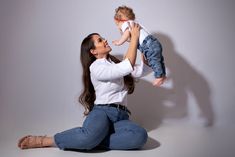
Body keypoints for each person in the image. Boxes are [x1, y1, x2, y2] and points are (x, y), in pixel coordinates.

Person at [18, 23, 148, 151]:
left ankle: (94, 140)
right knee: (88, 137)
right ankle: (46, 141)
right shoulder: (96, 67)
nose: (105, 40)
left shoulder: (115, 64)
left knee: (140, 136)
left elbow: (141, 70)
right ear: (93, 51)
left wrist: (147, 50)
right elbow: (128, 65)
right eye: (100, 40)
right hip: (103, 113)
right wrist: (134, 38)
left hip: (121, 115)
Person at [113, 5, 167, 87]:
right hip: (153, 42)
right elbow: (132, 37)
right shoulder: (134, 23)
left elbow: (126, 33)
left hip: (148, 44)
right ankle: (162, 75)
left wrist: (119, 42)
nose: (119, 28)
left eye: (118, 26)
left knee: (155, 61)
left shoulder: (125, 23)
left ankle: (159, 76)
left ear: (119, 20)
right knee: (158, 60)